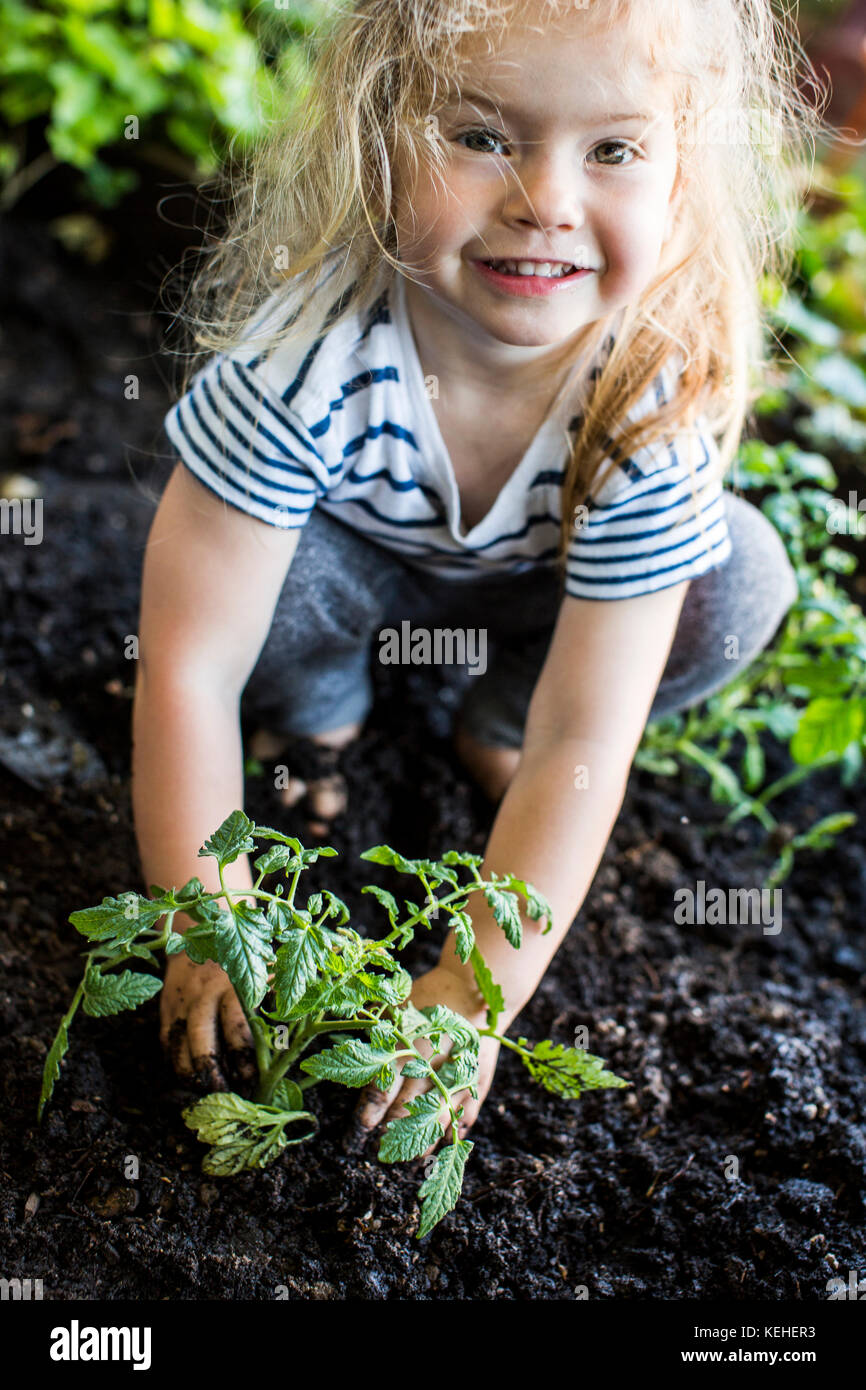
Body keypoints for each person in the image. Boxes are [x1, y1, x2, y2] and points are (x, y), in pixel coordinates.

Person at [136, 0, 824, 1145]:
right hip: (350, 577)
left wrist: (468, 993)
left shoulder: (642, 402)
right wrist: (203, 921)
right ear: (379, 133)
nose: (544, 201)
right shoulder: (307, 361)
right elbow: (188, 664)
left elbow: (586, 744)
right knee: (253, 597)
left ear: (679, 173)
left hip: (532, 607)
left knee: (737, 577)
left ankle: (490, 717)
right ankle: (316, 715)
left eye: (611, 150)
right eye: (481, 136)